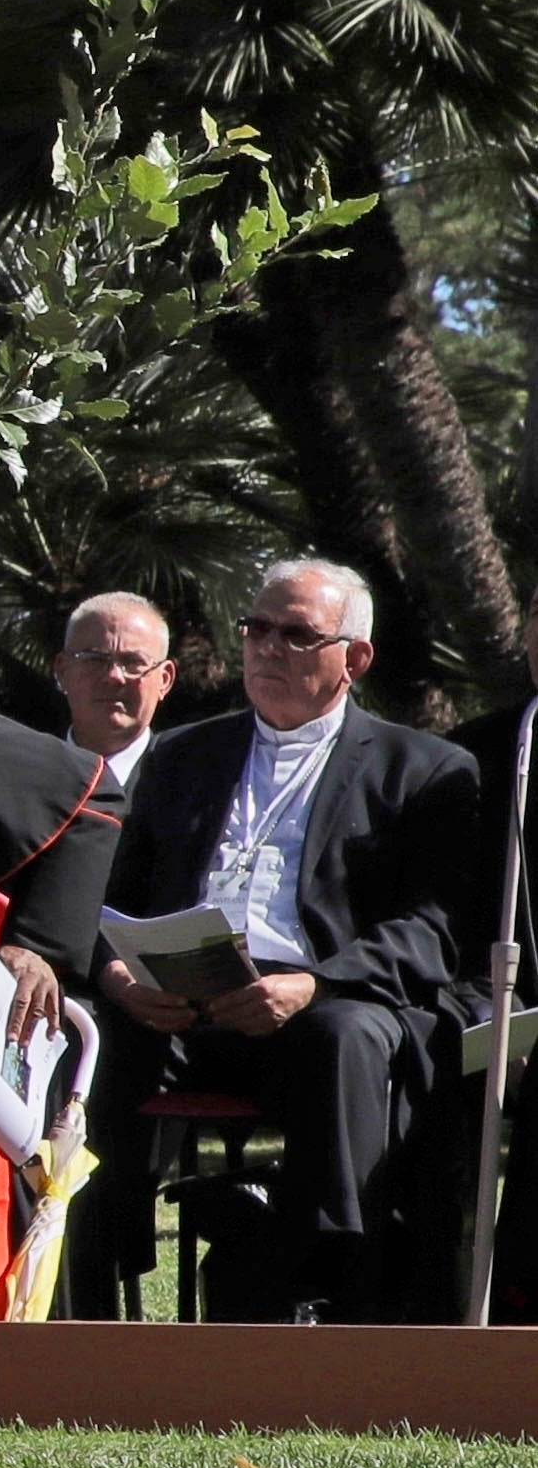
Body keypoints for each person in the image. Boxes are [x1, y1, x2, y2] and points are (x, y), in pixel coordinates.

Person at [86, 558, 477, 1323]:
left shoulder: (424, 769)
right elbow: (113, 899)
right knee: (98, 1037)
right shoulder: (183, 755)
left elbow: (434, 928)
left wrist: (316, 984)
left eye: (295, 634)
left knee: (345, 1035)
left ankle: (324, 1282)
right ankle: (97, 1267)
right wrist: (118, 979)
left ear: (353, 659)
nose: (267, 647)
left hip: (317, 1001)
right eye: (256, 628)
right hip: (182, 998)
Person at [53, 590, 176, 795]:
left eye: (133, 662)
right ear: (63, 671)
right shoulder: (20, 783)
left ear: (165, 680)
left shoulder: (192, 789)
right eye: (94, 660)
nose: (113, 677)